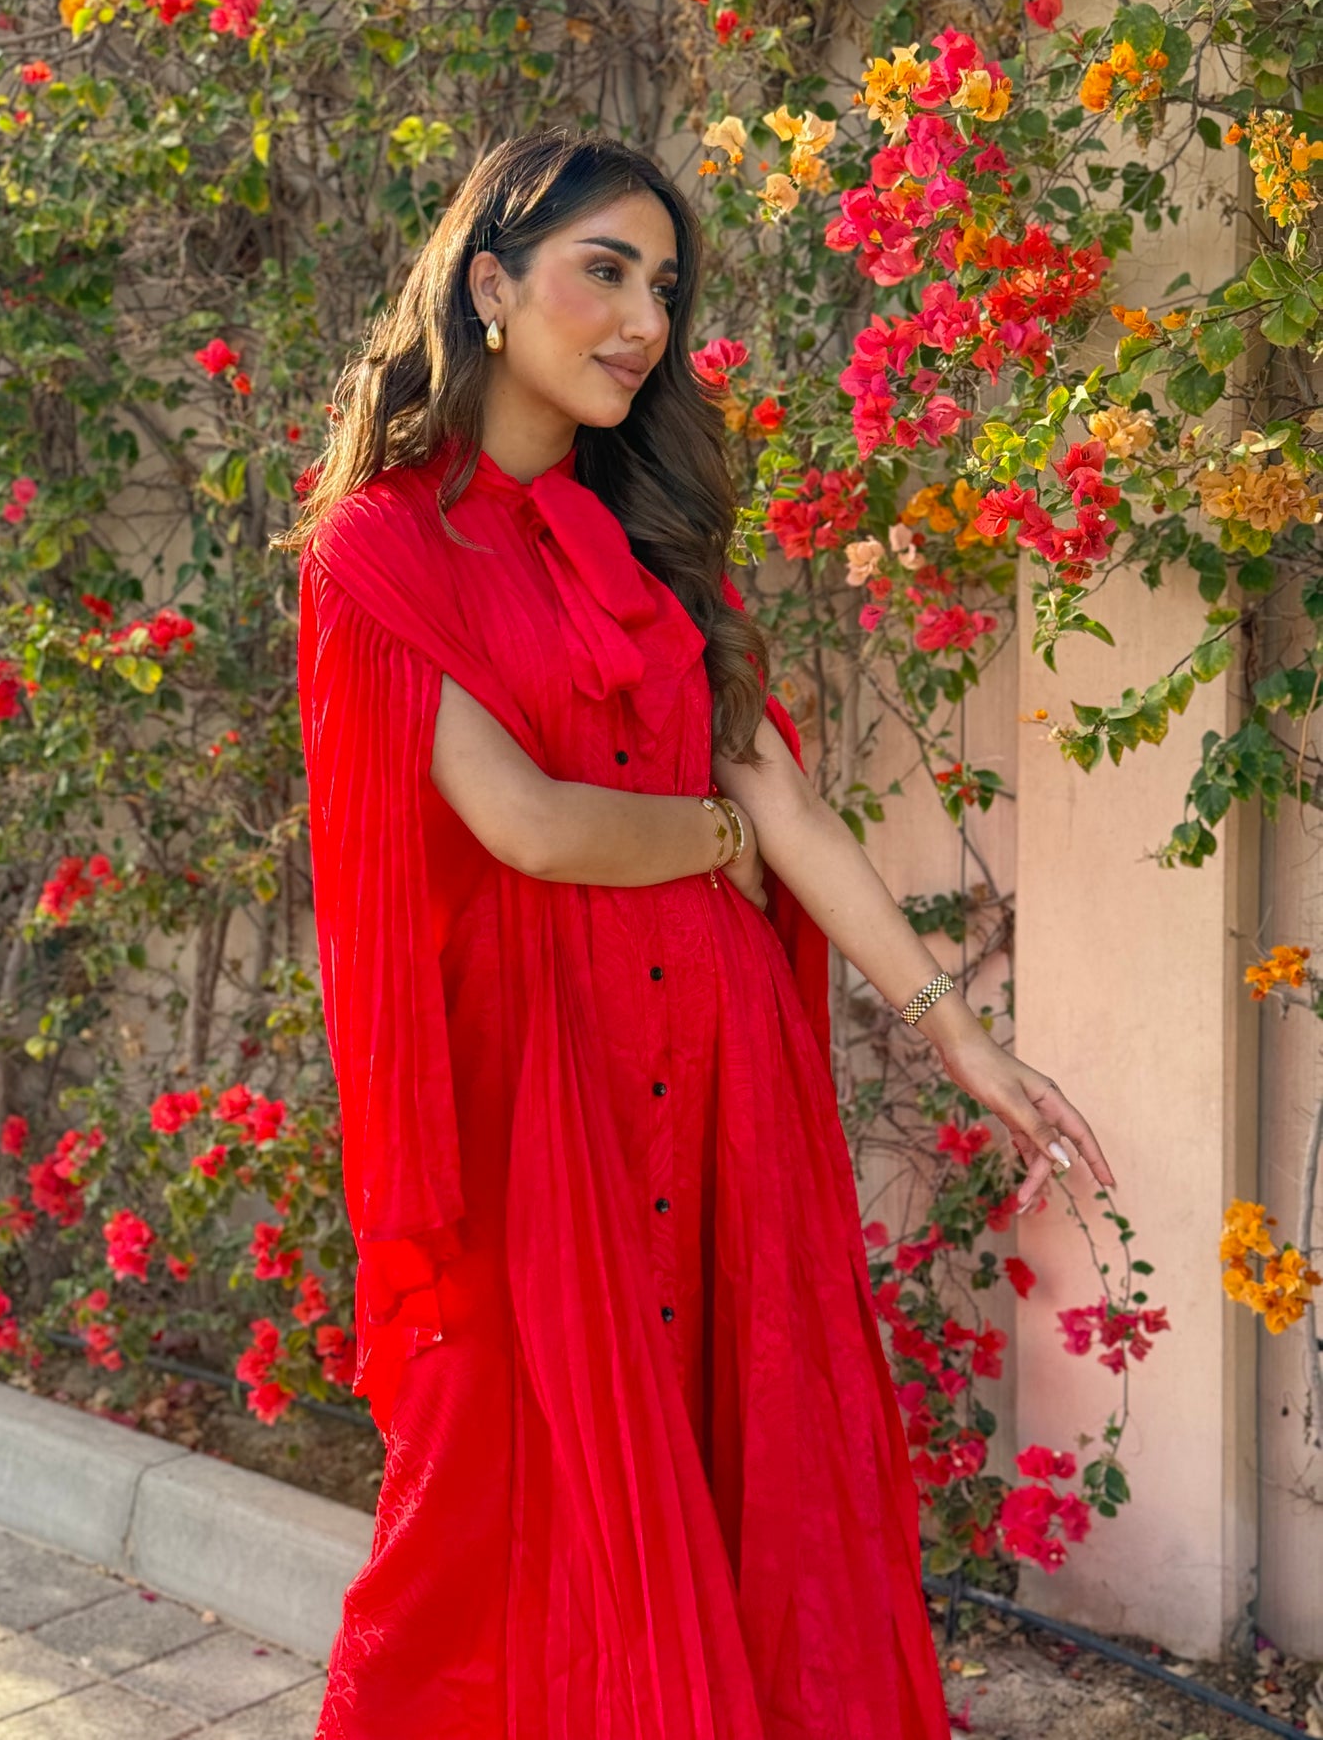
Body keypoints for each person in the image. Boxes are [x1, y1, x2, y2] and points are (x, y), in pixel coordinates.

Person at [282, 125, 1115, 1739]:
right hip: (545, 1101)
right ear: (489, 283)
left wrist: (953, 1027)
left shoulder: (641, 541)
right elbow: (525, 821)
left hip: (722, 1084)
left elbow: (788, 801)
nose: (643, 320)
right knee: (497, 1501)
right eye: (604, 272)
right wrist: (714, 839)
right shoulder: (375, 551)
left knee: (752, 1476)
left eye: (662, 285)